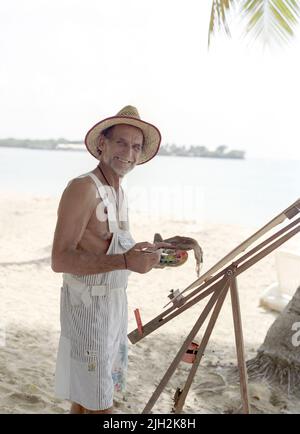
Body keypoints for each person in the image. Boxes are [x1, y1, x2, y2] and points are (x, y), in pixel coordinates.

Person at [51, 105, 173, 414]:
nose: (128, 152)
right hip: (87, 311)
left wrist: (143, 254)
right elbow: (60, 259)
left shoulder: (117, 191)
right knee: (100, 404)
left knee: (85, 399)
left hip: (112, 310)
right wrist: (124, 262)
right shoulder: (84, 188)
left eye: (135, 146)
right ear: (102, 145)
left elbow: (108, 247)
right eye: (121, 142)